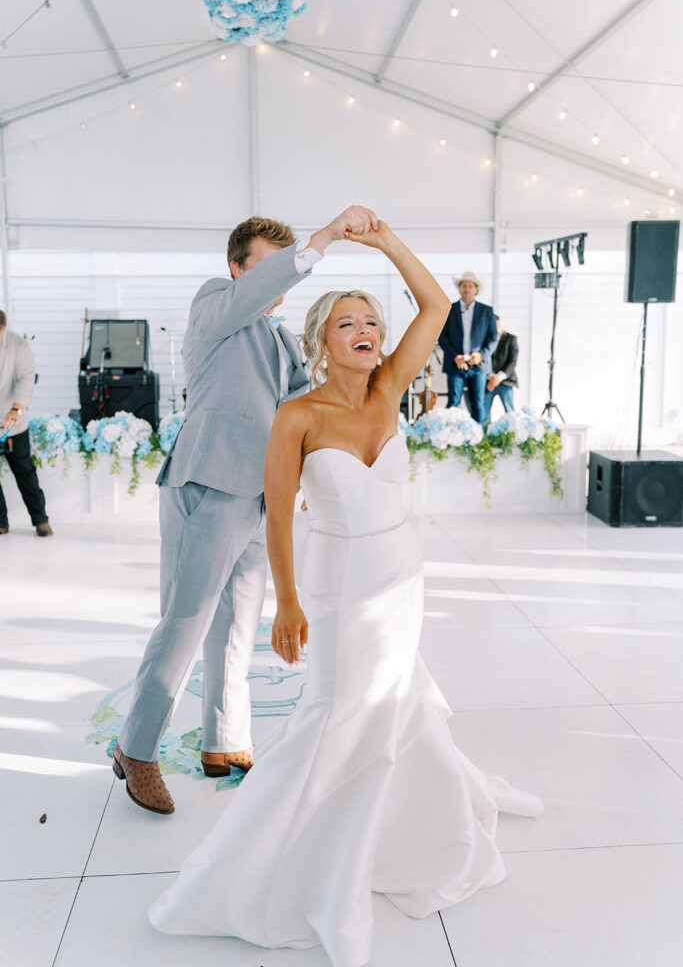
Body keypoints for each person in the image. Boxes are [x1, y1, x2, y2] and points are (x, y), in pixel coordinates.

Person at [149, 221, 543, 966]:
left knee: (395, 704)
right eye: (345, 323)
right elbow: (275, 518)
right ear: (320, 342)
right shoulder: (296, 416)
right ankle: (266, 865)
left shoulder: (391, 388)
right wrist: (287, 604)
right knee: (331, 714)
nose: (363, 331)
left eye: (369, 322)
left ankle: (404, 834)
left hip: (400, 579)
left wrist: (388, 242)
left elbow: (431, 308)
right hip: (335, 589)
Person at [112, 206, 378, 816]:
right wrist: (323, 241)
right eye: (266, 270)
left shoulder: (282, 341)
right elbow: (256, 292)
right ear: (238, 271)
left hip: (261, 495)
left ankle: (224, 743)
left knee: (237, 625)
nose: (276, 284)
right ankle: (137, 747)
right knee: (186, 618)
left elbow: (295, 417)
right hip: (207, 479)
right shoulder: (215, 305)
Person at [0, 311, 52, 537]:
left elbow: (26, 380)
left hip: (13, 421)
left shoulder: (18, 345)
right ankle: (1, 523)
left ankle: (40, 520)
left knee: (24, 471)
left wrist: (16, 408)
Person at [438, 271, 497, 423]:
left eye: (470, 286)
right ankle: (450, 437)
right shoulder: (449, 310)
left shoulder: (486, 311)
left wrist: (481, 355)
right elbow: (441, 336)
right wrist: (455, 356)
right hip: (455, 363)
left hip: (479, 365)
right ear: (459, 288)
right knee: (453, 402)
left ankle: (479, 441)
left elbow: (493, 338)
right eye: (464, 285)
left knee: (478, 403)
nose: (467, 288)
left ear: (476, 289)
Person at [484, 315, 519, 420]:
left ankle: (512, 433)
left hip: (506, 380)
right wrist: (490, 378)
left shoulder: (511, 339)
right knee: (484, 412)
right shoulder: (484, 340)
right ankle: (484, 434)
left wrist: (498, 378)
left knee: (510, 412)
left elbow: (512, 362)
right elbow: (483, 359)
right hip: (488, 381)